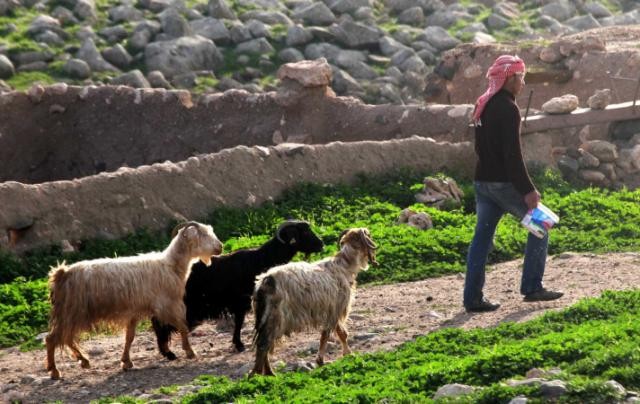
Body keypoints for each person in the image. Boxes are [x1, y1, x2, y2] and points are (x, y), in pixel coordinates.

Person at [463, 55, 563, 312]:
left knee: (481, 241)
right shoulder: (508, 108)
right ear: (509, 78)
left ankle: (472, 298)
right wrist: (528, 190)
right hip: (503, 184)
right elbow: (512, 155)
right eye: (520, 77)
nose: (523, 82)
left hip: (482, 182)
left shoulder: (483, 103)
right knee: (541, 226)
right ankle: (532, 287)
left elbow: (480, 148)